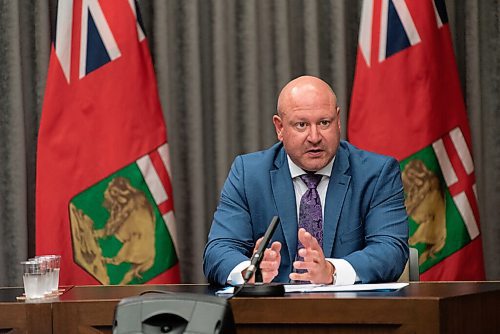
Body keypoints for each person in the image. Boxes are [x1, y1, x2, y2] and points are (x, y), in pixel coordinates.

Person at [203, 75, 409, 286]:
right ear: (280, 128)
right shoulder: (249, 174)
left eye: (324, 122)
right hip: (271, 314)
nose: (314, 137)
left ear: (338, 121)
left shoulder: (376, 173)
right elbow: (218, 251)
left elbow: (391, 250)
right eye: (301, 125)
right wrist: (250, 272)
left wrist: (332, 271)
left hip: (350, 312)